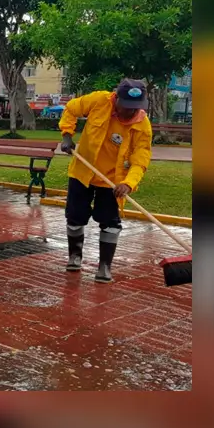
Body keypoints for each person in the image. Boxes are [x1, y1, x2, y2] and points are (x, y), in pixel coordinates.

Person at [58, 79, 153, 283]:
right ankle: (74, 256)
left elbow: (141, 158)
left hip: (112, 181)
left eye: (135, 108)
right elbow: (71, 109)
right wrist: (67, 135)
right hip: (83, 171)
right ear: (116, 98)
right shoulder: (98, 100)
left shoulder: (142, 125)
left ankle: (104, 266)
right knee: (75, 216)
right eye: (127, 107)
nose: (130, 113)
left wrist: (128, 183)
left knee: (110, 222)